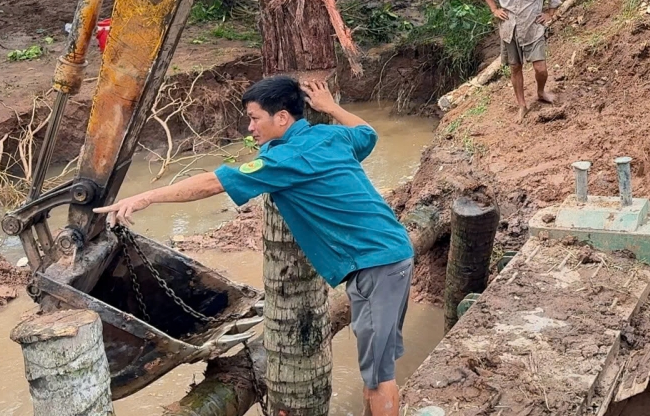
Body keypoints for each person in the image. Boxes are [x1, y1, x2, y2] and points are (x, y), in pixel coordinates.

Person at [97, 76, 414, 416]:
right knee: (378, 368)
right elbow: (368, 135)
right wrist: (331, 108)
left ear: (282, 118)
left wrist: (146, 197)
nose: (249, 127)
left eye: (254, 117)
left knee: (377, 381)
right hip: (388, 258)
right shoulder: (329, 136)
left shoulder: (287, 160)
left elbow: (212, 183)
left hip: (377, 268)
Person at [480, 0, 564, 115]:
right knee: (515, 67)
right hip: (509, 27)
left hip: (533, 26)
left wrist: (550, 12)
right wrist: (494, 9)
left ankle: (541, 92)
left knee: (540, 68)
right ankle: (522, 104)